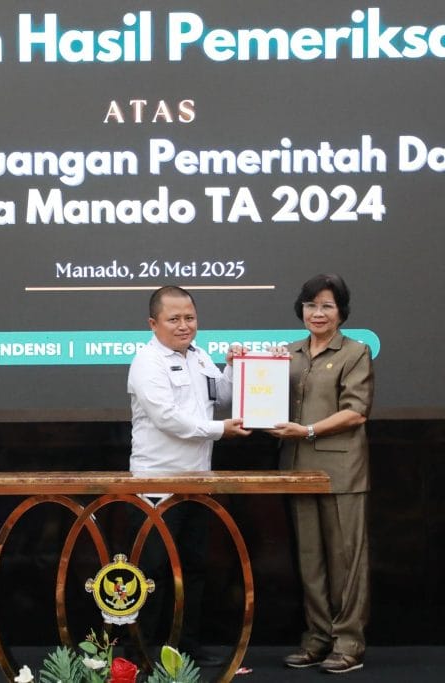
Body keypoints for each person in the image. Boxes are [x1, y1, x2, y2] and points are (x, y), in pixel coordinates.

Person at [126, 286, 252, 668]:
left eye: (190, 318)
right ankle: (143, 652)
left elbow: (223, 397)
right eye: (174, 319)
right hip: (157, 484)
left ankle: (186, 648)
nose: (184, 325)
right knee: (153, 572)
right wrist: (220, 431)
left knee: (193, 567)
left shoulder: (199, 356)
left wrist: (235, 366)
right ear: (153, 323)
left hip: (198, 482)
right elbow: (167, 418)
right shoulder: (147, 362)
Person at [267, 274, 374, 674]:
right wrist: (241, 366)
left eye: (327, 306)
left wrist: (308, 430)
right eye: (311, 305)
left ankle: (348, 642)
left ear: (341, 312)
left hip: (341, 471)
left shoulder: (355, 352)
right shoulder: (287, 353)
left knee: (345, 560)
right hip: (296, 468)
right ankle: (316, 638)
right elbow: (263, 396)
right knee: (309, 560)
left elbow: (356, 411)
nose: (318, 313)